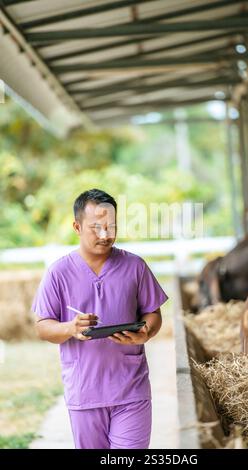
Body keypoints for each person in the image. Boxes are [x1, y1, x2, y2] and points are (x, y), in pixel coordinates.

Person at [31, 188, 168, 449]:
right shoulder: (58, 273)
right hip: (84, 394)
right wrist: (70, 328)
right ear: (77, 226)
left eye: (111, 226)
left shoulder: (135, 266)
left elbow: (153, 312)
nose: (106, 235)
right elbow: (42, 327)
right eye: (96, 227)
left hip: (132, 389)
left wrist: (146, 332)